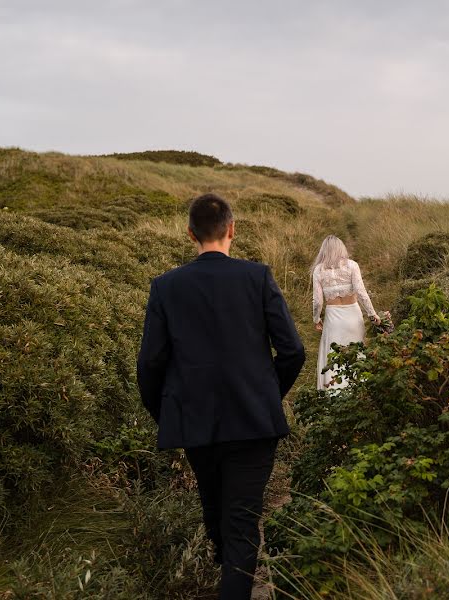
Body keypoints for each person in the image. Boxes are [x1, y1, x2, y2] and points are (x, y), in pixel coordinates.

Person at [137, 193, 305, 600]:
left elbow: (150, 366)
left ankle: (226, 570)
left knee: (216, 510)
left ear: (190, 233)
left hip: (195, 422)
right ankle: (233, 577)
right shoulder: (258, 276)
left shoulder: (166, 287)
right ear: (232, 229)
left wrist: (168, 413)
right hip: (253, 422)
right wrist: (266, 394)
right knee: (240, 523)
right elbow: (293, 351)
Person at [311, 235, 380, 390]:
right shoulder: (352, 265)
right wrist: (372, 313)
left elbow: (317, 301)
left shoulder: (319, 270)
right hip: (353, 316)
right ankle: (359, 390)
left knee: (333, 354)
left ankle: (332, 391)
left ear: (324, 251)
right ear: (341, 248)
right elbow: (361, 292)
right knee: (357, 351)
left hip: (333, 318)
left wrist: (316, 319)